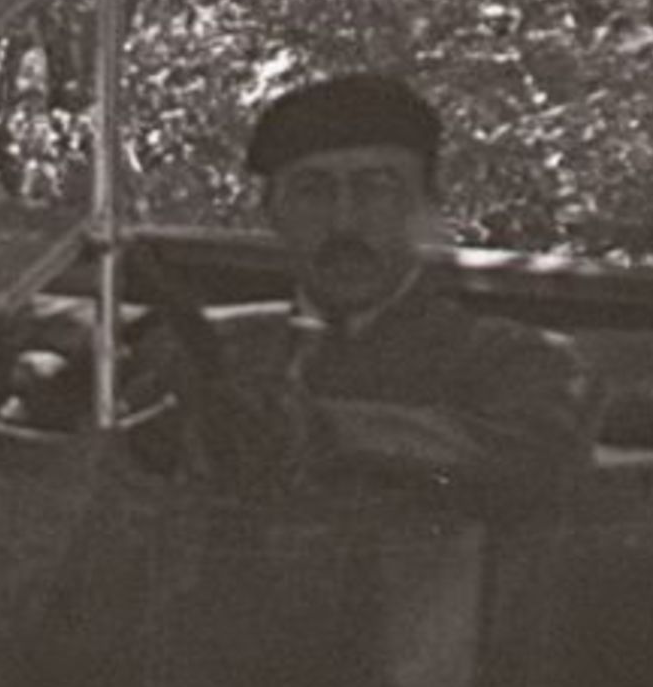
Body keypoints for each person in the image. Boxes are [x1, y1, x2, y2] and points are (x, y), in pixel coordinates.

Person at [182, 70, 595, 491]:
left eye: (376, 189)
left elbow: (530, 460)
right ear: (271, 211)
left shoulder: (514, 361)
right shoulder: (207, 354)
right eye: (313, 191)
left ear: (428, 203)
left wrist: (324, 429)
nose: (344, 222)